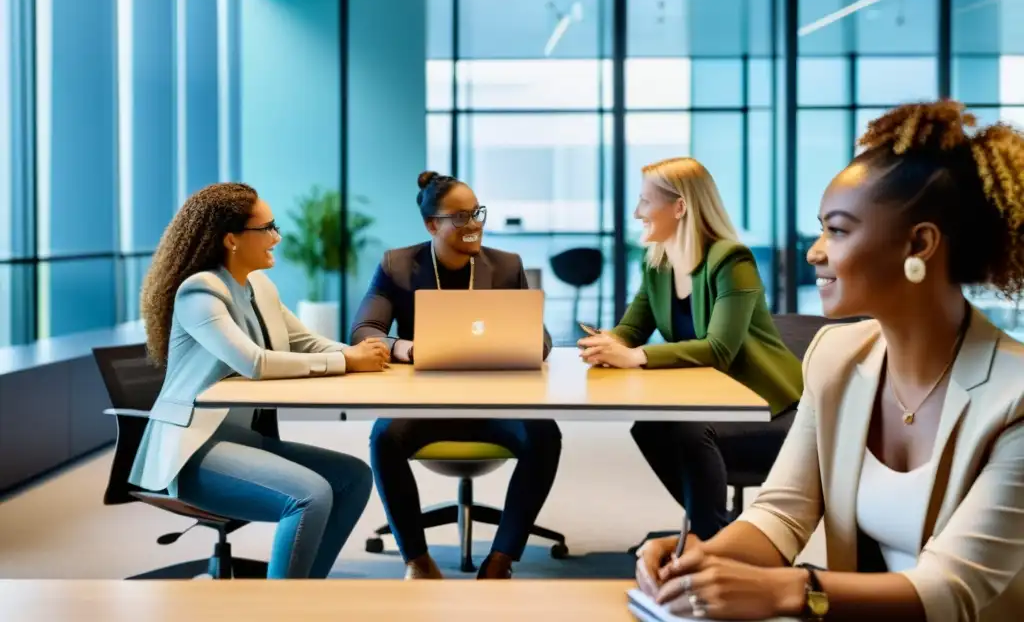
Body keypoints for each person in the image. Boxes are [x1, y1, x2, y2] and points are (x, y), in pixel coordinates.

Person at [638, 101, 1024, 622]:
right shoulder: (837, 355)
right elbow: (781, 512)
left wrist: (789, 590)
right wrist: (704, 558)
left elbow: (952, 590)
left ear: (920, 243)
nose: (815, 251)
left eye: (837, 231)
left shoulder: (1014, 395)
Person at [131, 183, 390, 580]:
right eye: (266, 228)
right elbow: (254, 363)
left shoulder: (259, 286)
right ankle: (276, 608)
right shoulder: (200, 291)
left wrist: (373, 357)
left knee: (353, 478)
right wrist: (345, 361)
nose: (277, 237)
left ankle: (300, 594)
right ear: (231, 239)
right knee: (310, 495)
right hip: (195, 450)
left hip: (241, 439)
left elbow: (308, 343)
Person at [578, 157, 803, 540]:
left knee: (684, 429)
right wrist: (608, 342)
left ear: (680, 206)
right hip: (708, 394)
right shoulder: (658, 264)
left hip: (759, 398)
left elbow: (719, 349)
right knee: (647, 427)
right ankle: (715, 530)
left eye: (645, 202)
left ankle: (713, 540)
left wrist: (637, 357)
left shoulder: (731, 260)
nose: (637, 212)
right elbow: (634, 327)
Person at [351, 171, 560, 580]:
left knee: (545, 436)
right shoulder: (398, 266)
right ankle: (417, 559)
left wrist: (522, 342)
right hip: (426, 402)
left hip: (495, 401)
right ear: (432, 224)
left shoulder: (505, 266)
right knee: (384, 437)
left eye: (477, 213)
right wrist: (404, 347)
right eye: (461, 217)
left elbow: (542, 337)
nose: (475, 224)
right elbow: (364, 331)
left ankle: (501, 559)